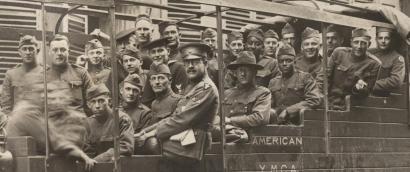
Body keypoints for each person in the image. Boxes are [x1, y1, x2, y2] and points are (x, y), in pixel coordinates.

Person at [135, 43, 219, 172]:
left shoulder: (206, 88)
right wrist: (145, 132)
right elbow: (174, 116)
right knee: (137, 142)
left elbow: (182, 120)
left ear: (205, 63)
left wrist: (151, 134)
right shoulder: (192, 86)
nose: (190, 66)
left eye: (195, 62)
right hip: (181, 140)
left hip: (193, 145)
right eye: (186, 63)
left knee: (149, 144)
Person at [6, 81, 96, 171]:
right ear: (30, 94)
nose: (43, 96)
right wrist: (81, 155)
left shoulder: (75, 118)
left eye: (60, 98)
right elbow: (53, 141)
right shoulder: (29, 113)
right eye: (40, 92)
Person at [328, 28, 381, 110]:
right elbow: (324, 78)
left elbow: (367, 92)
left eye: (363, 43)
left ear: (369, 44)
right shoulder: (339, 53)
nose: (359, 46)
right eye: (356, 42)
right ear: (351, 42)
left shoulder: (374, 64)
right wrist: (323, 100)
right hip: (329, 102)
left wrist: (358, 89)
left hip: (351, 107)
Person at [221, 51, 271, 136]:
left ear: (254, 72)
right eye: (240, 70)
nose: (243, 74)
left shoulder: (263, 93)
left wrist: (230, 121)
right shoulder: (227, 94)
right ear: (235, 73)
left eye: (247, 70)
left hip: (248, 138)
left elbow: (260, 118)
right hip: (225, 136)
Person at [269, 44, 321, 125]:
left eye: (288, 60)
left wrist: (288, 111)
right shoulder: (273, 82)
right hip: (277, 123)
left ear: (295, 62)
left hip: (299, 124)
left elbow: (314, 100)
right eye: (281, 61)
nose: (284, 64)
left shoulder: (305, 78)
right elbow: (269, 105)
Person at [135, 64, 180, 155]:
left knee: (152, 144)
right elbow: (154, 124)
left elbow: (173, 125)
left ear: (170, 80)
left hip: (171, 145)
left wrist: (146, 134)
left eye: (161, 78)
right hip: (157, 144)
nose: (157, 82)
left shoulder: (178, 100)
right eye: (153, 79)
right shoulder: (154, 103)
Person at [46, 34, 94, 115]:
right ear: (49, 52)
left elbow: (93, 101)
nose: (59, 53)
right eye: (55, 50)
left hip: (76, 123)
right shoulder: (42, 75)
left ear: (69, 52)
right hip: (52, 124)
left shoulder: (81, 73)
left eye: (63, 50)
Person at [86, 84, 134, 162]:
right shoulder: (88, 123)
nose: (97, 106)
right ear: (88, 104)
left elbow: (126, 147)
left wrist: (98, 160)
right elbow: (88, 151)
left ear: (109, 101)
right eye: (93, 102)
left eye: (101, 101)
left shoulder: (121, 119)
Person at [0, 35, 44, 114]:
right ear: (19, 52)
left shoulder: (47, 73)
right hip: (18, 122)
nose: (27, 52)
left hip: (40, 122)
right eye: (24, 49)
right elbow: (6, 106)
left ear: (37, 51)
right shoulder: (11, 74)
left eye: (31, 49)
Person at [141, 38, 187, 106]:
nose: (157, 55)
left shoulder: (178, 68)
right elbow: (146, 100)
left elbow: (180, 98)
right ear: (150, 55)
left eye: (160, 51)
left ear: (168, 51)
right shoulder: (152, 71)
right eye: (153, 52)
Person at [119, 74, 153, 154]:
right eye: (128, 89)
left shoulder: (145, 113)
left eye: (135, 90)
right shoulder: (115, 110)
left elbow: (141, 140)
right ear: (121, 90)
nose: (131, 93)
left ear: (140, 94)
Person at [369, 27, 405, 96]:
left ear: (391, 40)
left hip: (383, 98)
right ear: (376, 39)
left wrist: (370, 84)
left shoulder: (397, 58)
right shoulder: (370, 53)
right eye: (380, 38)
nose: (383, 41)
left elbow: (396, 81)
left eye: (387, 38)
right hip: (363, 94)